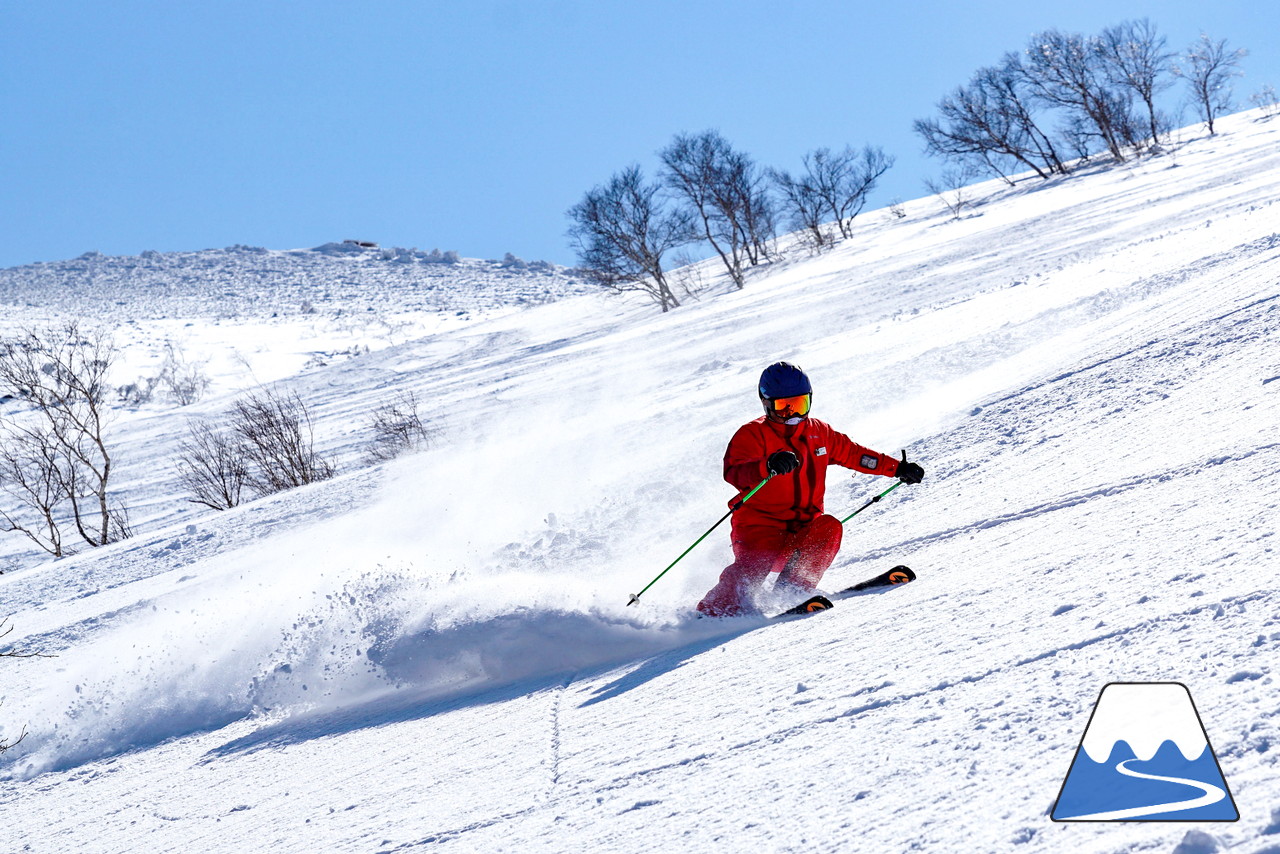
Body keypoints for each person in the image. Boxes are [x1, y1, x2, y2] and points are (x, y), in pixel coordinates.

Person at [696, 362, 924, 617]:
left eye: (800, 404)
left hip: (803, 530)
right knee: (754, 567)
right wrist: (767, 465)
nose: (793, 415)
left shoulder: (819, 432)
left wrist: (896, 469)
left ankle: (792, 591)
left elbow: (856, 455)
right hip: (759, 530)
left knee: (830, 527)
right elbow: (734, 471)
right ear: (766, 404)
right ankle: (712, 612)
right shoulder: (752, 434)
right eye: (784, 408)